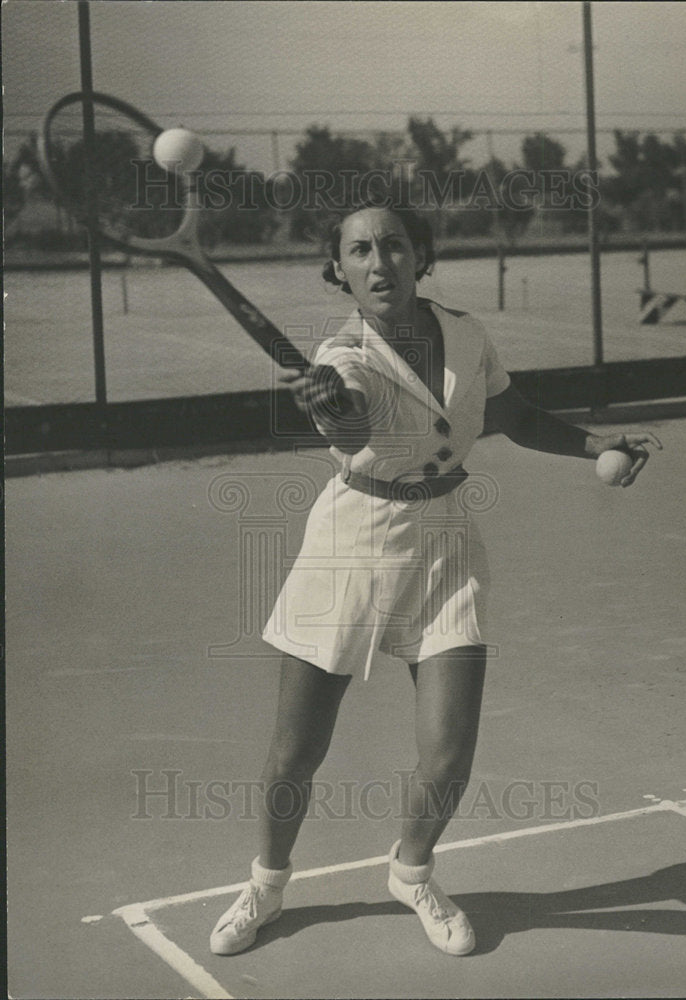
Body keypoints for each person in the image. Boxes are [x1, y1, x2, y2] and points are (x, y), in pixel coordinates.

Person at [210, 200, 661, 958]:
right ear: (341, 271)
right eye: (359, 251)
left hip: (444, 544)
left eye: (393, 245)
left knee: (449, 754)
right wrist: (332, 409)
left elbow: (512, 415)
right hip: (350, 546)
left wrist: (595, 444)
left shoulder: (465, 334)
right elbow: (352, 423)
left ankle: (412, 871)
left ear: (421, 256)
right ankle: (267, 882)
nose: (379, 262)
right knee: (296, 752)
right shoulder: (342, 357)